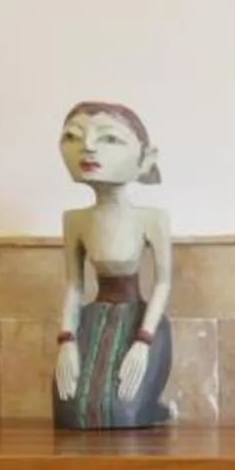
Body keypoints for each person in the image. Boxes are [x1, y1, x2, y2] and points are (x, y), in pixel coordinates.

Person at [51, 101, 175, 428]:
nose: (87, 146)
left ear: (145, 159)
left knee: (123, 411)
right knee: (71, 412)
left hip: (139, 322)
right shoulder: (75, 220)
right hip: (94, 320)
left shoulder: (152, 219)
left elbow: (163, 282)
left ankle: (155, 409)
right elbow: (74, 285)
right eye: (73, 136)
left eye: (108, 138)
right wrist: (66, 342)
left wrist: (143, 341)